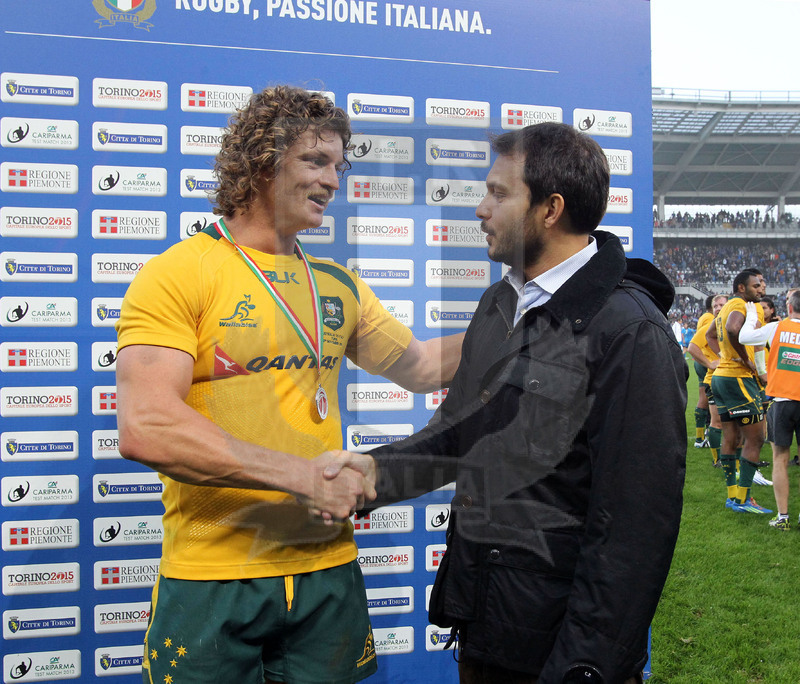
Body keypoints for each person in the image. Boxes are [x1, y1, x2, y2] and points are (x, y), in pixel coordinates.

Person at [115, 85, 463, 684]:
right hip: (213, 579)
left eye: (338, 166)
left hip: (326, 570)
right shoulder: (178, 273)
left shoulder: (337, 284)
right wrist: (302, 478)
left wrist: (525, 318)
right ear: (262, 161)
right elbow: (147, 426)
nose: (333, 181)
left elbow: (423, 367)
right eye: (315, 161)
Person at [334, 123, 688, 683]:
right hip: (487, 630)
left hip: (561, 657)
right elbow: (460, 433)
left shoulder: (630, 332)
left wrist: (584, 668)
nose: (480, 208)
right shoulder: (500, 300)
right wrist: (376, 474)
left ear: (550, 209)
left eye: (498, 193)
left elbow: (635, 531)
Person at [706, 270, 772, 514]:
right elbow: (734, 330)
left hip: (722, 377)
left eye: (762, 284)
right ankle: (744, 500)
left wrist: (725, 357)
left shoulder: (726, 307)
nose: (761, 288)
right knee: (755, 439)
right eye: (756, 285)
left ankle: (733, 497)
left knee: (731, 438)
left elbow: (710, 335)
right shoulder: (739, 304)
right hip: (738, 379)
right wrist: (743, 360)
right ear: (742, 288)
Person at [740, 290, 800, 528]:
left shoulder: (777, 328)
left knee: (780, 459)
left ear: (789, 308)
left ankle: (783, 517)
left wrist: (752, 318)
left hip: (782, 401)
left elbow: (745, 338)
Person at [687, 295, 727, 464]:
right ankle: (717, 460)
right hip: (716, 379)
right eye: (715, 305)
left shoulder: (735, 324)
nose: (718, 307)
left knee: (735, 424)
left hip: (735, 379)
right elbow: (692, 347)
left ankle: (735, 461)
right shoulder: (710, 324)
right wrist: (710, 364)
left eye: (721, 305)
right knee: (717, 421)